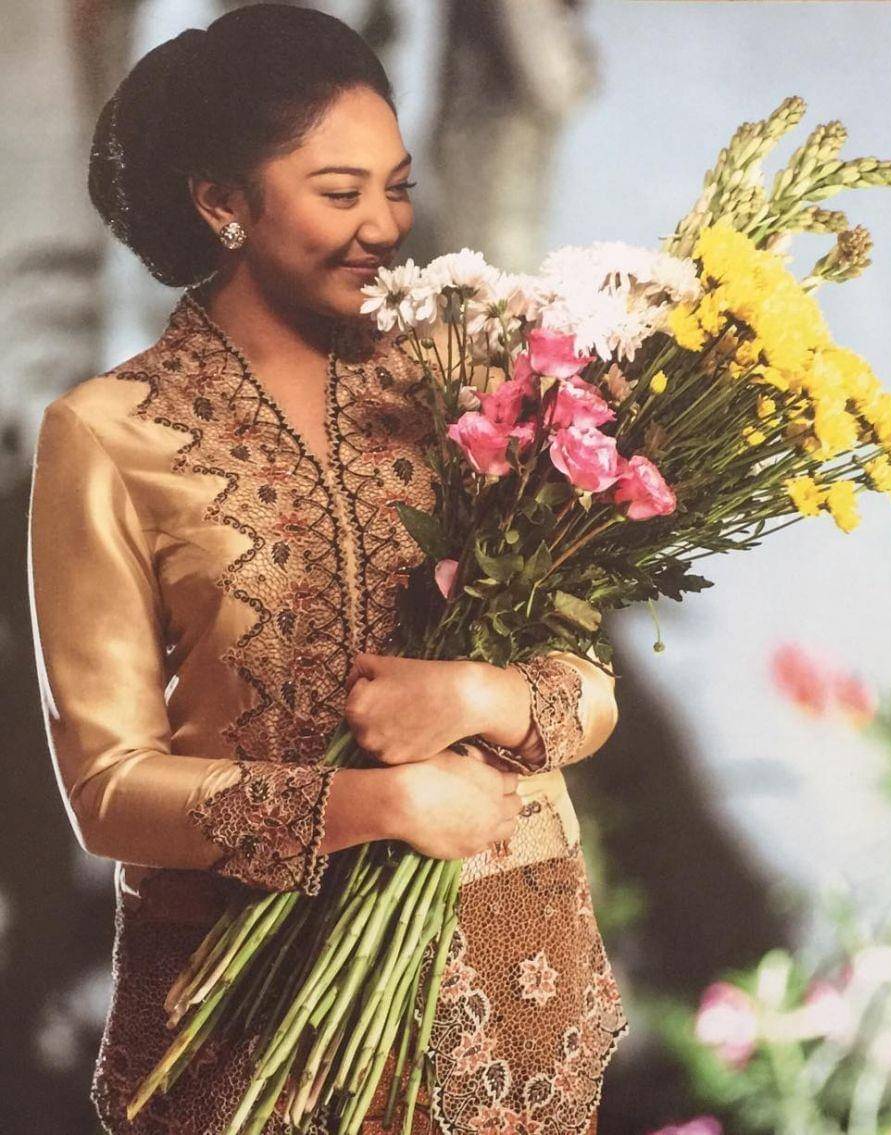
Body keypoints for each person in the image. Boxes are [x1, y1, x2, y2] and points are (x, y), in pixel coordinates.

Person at [27, 6, 628, 1133]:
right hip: (250, 1018)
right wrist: (376, 801)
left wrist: (480, 694)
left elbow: (589, 689)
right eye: (340, 193)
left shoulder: (469, 376)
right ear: (222, 202)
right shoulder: (107, 433)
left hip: (510, 993)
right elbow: (108, 789)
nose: (385, 226)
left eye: (395, 188)